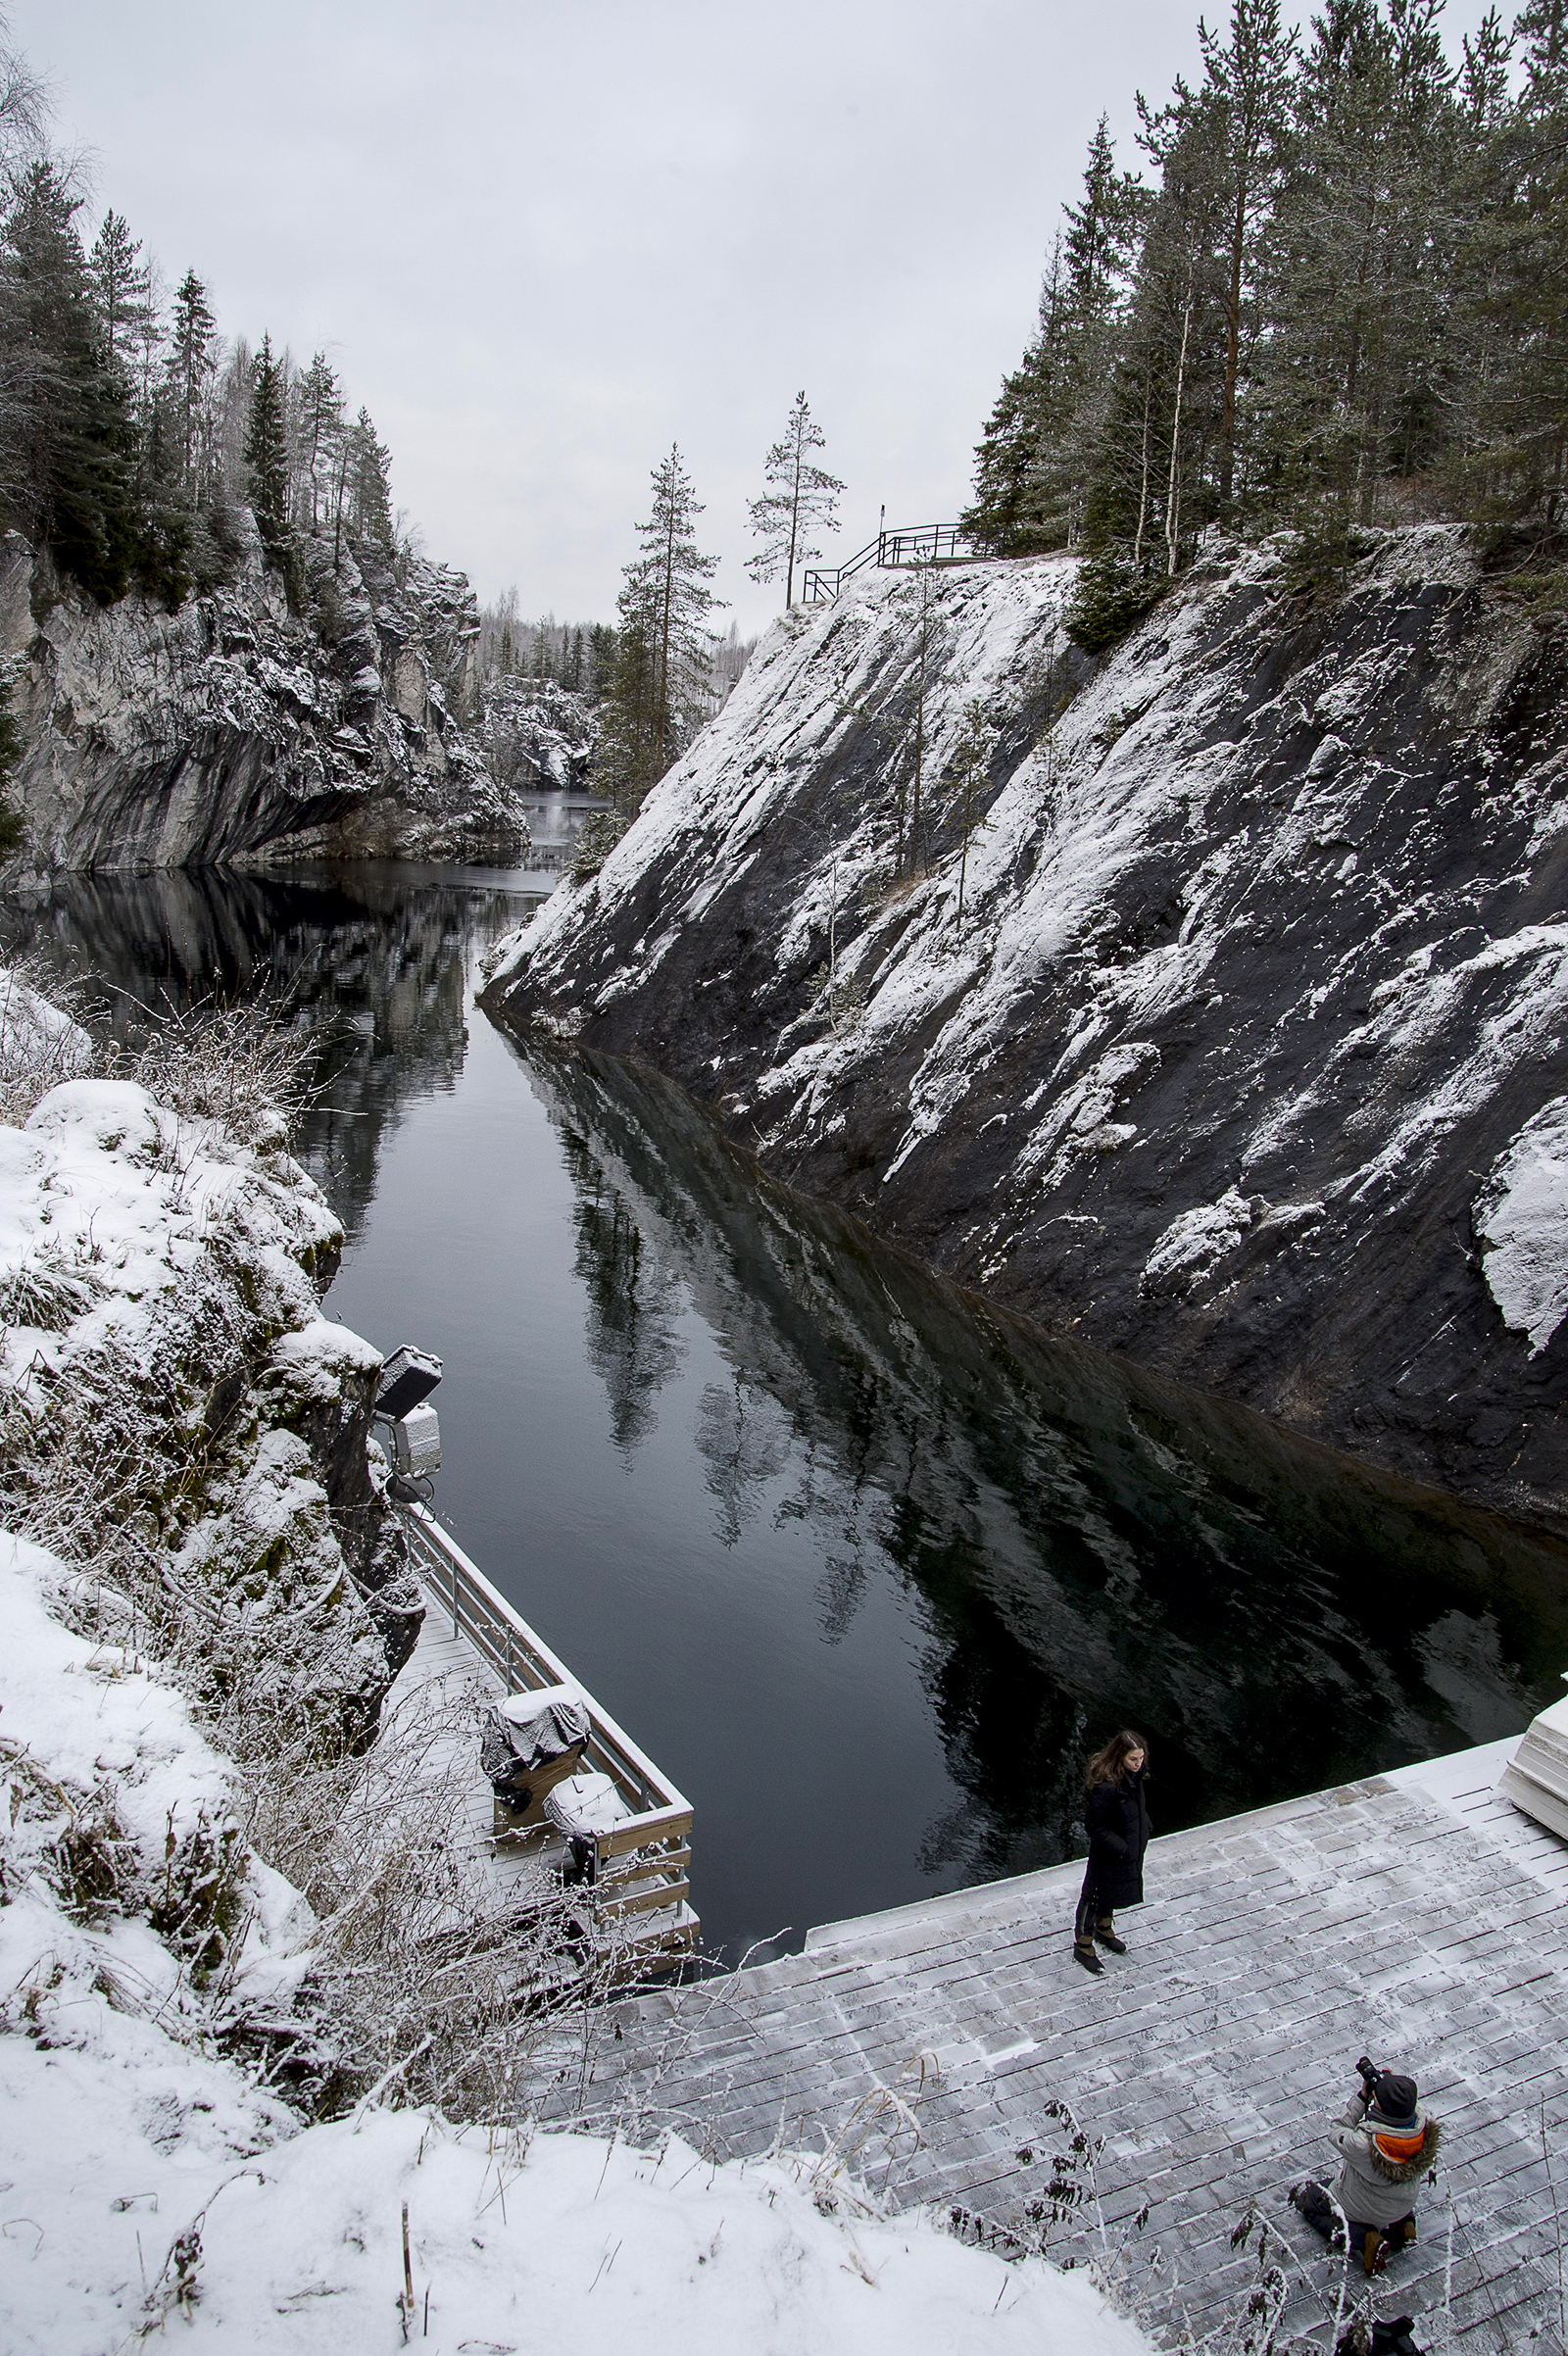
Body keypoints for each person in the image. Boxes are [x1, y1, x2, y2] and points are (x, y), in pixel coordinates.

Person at [1291, 2061, 1442, 2277]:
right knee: (1394, 2190)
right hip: (1404, 2201)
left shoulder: (1365, 2145)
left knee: (1310, 2200)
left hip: (1366, 2208)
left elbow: (1337, 2128)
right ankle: (1404, 2225)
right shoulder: (1424, 2125)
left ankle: (1365, 2238)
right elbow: (1409, 2106)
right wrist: (1393, 2087)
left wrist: (1362, 2098)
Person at [1072, 1729, 1151, 1976]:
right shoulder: (1107, 1787)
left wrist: (1145, 1827)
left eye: (1140, 1759)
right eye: (1133, 1760)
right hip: (1108, 1853)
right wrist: (1120, 1846)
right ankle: (1083, 1946)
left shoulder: (1134, 1779)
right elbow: (1094, 1825)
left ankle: (1104, 1930)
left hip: (1128, 1849)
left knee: (1114, 1890)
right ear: (1120, 1757)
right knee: (1093, 1895)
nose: (1138, 1764)